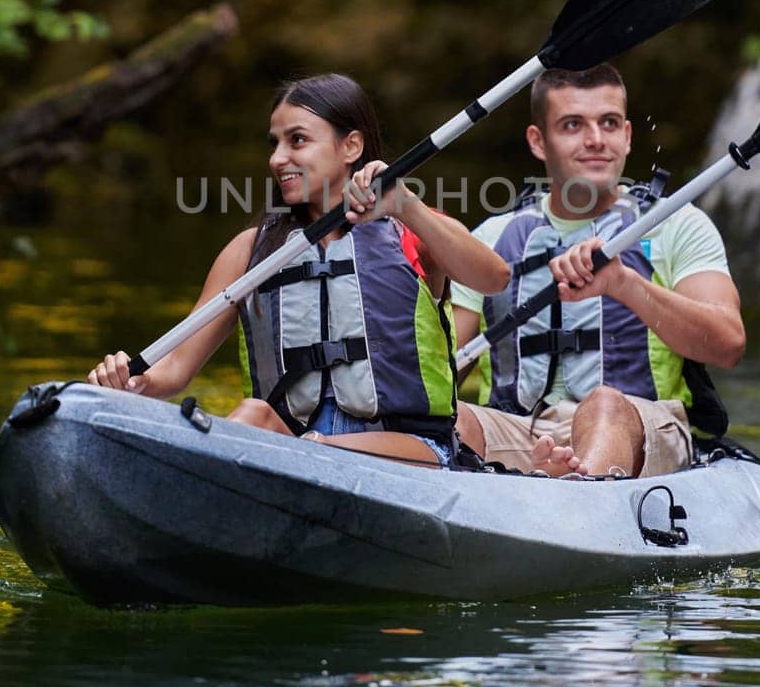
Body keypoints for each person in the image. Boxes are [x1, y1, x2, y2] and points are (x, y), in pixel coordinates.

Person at [89, 73, 510, 467]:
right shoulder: (251, 252)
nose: (278, 158)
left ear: (352, 147)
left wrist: (407, 205)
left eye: (297, 140)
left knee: (294, 440)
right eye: (274, 143)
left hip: (407, 451)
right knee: (254, 415)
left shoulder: (412, 232)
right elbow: (175, 368)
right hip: (287, 453)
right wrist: (129, 383)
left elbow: (494, 278)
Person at [451, 63, 745, 478]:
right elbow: (440, 372)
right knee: (454, 418)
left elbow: (728, 345)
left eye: (608, 123)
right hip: (518, 429)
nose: (595, 140)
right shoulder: (491, 239)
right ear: (538, 141)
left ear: (626, 136)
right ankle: (550, 476)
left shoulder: (677, 223)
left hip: (639, 424)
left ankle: (575, 487)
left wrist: (624, 284)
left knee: (604, 404)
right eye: (572, 125)